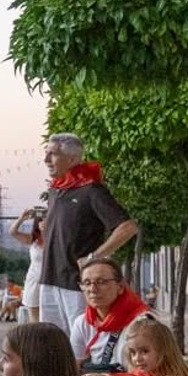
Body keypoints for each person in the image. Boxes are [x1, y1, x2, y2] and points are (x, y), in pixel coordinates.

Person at [37, 134, 138, 334]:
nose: (46, 159)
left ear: (72, 159)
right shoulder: (57, 191)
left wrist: (95, 257)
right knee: (49, 343)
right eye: (46, 153)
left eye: (53, 154)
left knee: (80, 345)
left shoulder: (92, 190)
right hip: (49, 279)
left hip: (77, 283)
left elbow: (128, 227)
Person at [68, 259, 156, 376]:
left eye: (102, 282)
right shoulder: (82, 322)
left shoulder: (142, 323)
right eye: (87, 283)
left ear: (121, 286)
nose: (93, 289)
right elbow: (72, 367)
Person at [10, 206, 45, 323]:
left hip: (50, 281)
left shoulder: (56, 238)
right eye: (42, 219)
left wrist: (47, 231)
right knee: (35, 319)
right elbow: (13, 232)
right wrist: (22, 218)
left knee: (48, 317)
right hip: (34, 281)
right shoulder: (33, 240)